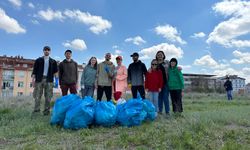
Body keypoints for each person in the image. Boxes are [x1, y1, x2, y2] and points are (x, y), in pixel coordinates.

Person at [32, 46, 58, 115]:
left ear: (50, 51)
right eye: (45, 50)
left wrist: (57, 81)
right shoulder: (38, 60)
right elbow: (34, 71)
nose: (47, 51)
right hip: (39, 80)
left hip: (49, 80)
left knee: (48, 96)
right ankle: (36, 110)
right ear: (43, 51)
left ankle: (46, 111)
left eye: (48, 50)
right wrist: (33, 81)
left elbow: (55, 72)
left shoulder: (53, 61)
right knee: (37, 96)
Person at [155, 51, 170, 115]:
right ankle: (160, 111)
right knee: (159, 98)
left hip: (166, 83)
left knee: (166, 97)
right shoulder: (155, 63)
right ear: (156, 56)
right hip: (158, 84)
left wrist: (178, 68)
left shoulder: (167, 62)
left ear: (163, 56)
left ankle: (167, 112)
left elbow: (172, 67)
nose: (160, 56)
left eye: (161, 54)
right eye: (158, 55)